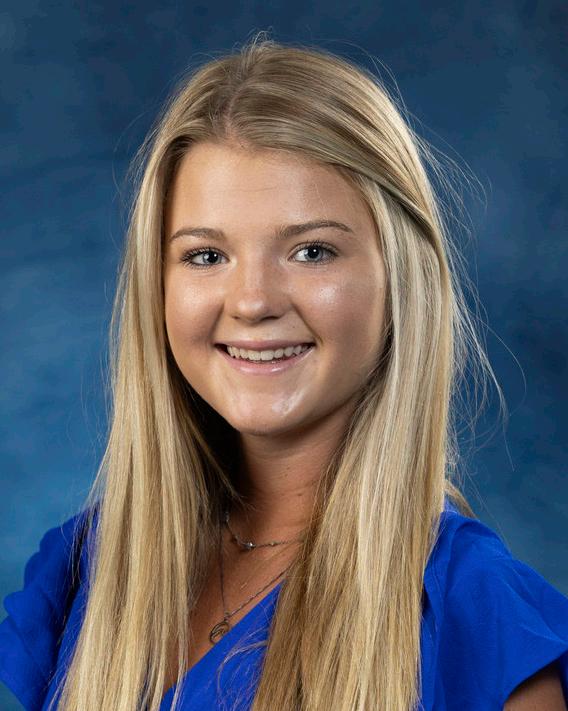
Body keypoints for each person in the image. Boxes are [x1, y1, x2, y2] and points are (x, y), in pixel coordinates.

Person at [1, 33, 567, 711]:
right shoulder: (88, 572)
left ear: (401, 278)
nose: (253, 302)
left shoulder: (477, 615)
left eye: (312, 251)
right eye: (206, 256)